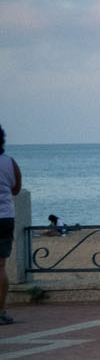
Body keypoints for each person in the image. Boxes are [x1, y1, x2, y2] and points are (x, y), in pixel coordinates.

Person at [0, 126, 20, 325]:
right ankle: (1, 311)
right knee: (1, 266)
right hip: (5, 217)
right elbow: (16, 189)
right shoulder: (9, 162)